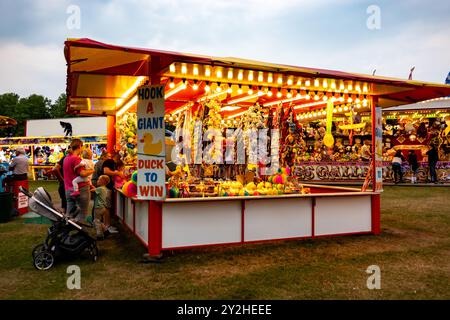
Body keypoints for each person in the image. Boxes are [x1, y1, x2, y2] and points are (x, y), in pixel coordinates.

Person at [63, 139, 94, 222]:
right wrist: (92, 171)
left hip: (68, 189)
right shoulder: (76, 159)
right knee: (82, 214)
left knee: (69, 213)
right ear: (80, 146)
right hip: (81, 190)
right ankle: (78, 232)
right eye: (82, 147)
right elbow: (82, 173)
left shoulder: (66, 158)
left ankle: (66, 229)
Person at [93, 175, 117, 240]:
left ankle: (99, 235)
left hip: (98, 207)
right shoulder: (105, 189)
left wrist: (89, 184)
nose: (97, 181)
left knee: (96, 221)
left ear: (102, 181)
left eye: (98, 180)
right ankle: (106, 231)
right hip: (103, 207)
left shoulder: (100, 189)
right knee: (100, 221)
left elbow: (92, 190)